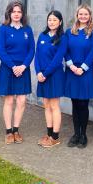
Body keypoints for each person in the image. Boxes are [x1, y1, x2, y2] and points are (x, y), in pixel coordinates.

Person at [0, 1, 35, 144]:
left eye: (19, 12)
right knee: (9, 100)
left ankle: (16, 130)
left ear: (22, 14)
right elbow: (0, 50)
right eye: (14, 12)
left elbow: (31, 50)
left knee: (22, 101)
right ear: (9, 13)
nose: (17, 14)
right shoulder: (4, 29)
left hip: (23, 70)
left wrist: (24, 66)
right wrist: (13, 66)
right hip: (8, 68)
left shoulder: (27, 30)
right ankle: (8, 132)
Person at [63, 4, 93, 149]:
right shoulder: (69, 32)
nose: (83, 16)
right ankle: (75, 134)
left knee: (83, 104)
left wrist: (82, 68)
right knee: (75, 104)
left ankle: (83, 135)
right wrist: (71, 66)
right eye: (80, 14)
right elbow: (65, 50)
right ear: (77, 15)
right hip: (72, 71)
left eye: (86, 14)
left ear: (90, 16)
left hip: (86, 72)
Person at [35, 10, 68, 148]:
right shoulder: (42, 36)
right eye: (50, 19)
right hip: (42, 76)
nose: (52, 22)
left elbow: (57, 60)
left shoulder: (63, 38)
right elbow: (37, 56)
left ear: (60, 22)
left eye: (55, 20)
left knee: (54, 106)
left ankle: (55, 136)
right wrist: (38, 72)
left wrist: (45, 73)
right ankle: (48, 134)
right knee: (46, 105)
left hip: (54, 76)